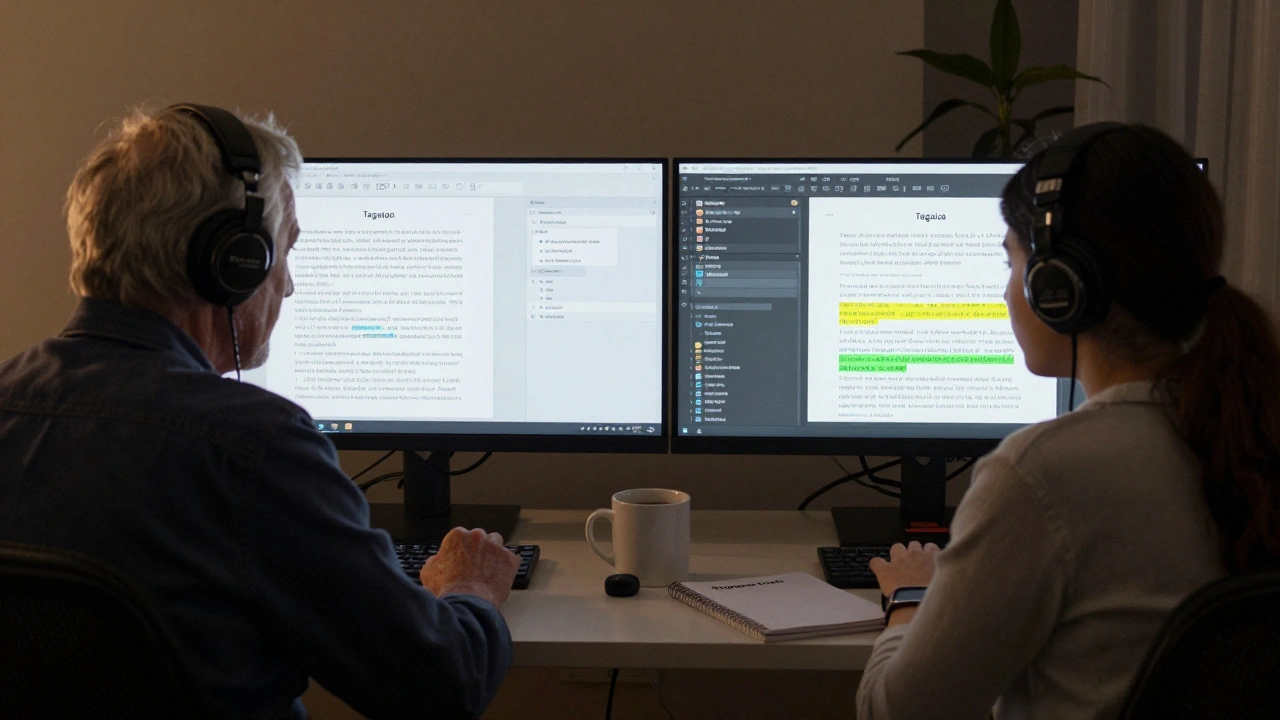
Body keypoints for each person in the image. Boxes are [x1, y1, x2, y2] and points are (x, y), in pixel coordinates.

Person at [0, 105, 520, 719]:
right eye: (284, 251)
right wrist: (470, 587)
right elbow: (443, 686)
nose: (289, 285)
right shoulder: (252, 446)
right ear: (233, 261)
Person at [857, 123, 1280, 719]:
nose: (1007, 293)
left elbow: (897, 712)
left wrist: (910, 596)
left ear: (1057, 287)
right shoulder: (1254, 425)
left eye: (1011, 262)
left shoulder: (1040, 472)